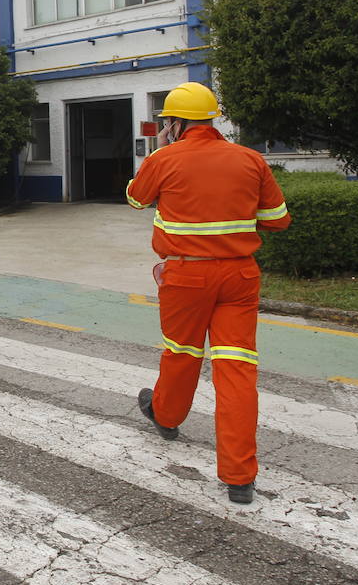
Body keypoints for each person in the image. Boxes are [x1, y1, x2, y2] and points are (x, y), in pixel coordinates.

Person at [124, 82, 291, 505]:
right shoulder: (250, 159)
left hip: (186, 277)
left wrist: (158, 151)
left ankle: (166, 416)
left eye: (167, 123)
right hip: (239, 278)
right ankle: (239, 477)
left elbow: (135, 198)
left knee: (181, 353)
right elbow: (278, 220)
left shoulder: (165, 157)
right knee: (236, 368)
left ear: (176, 124)